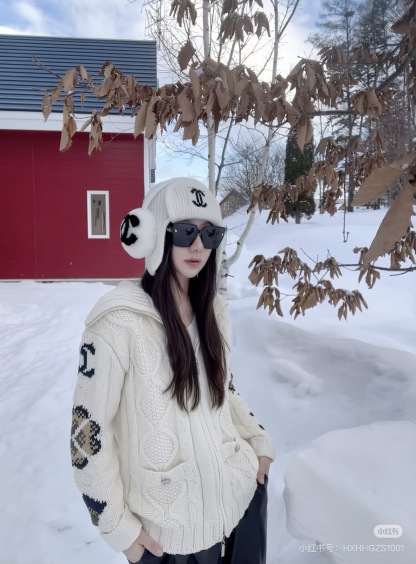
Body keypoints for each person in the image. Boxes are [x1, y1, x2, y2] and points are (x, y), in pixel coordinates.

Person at [70, 178, 275, 564]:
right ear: (152, 234)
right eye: (184, 232)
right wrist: (118, 529)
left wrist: (258, 442)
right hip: (164, 538)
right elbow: (86, 434)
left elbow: (225, 390)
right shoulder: (117, 322)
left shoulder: (214, 312)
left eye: (210, 234)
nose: (198, 246)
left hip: (235, 500)